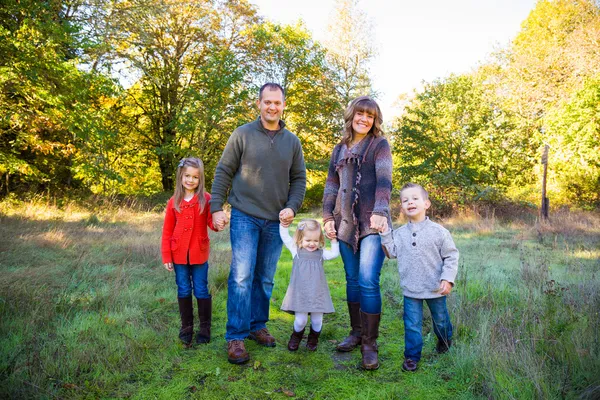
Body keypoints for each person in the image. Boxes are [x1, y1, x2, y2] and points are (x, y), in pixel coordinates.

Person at [210, 83, 306, 364]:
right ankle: (236, 337)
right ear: (259, 104)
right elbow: (224, 171)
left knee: (264, 278)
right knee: (241, 276)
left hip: (275, 220)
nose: (272, 107)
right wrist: (216, 207)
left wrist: (291, 206)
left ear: (284, 105)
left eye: (277, 102)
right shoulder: (242, 134)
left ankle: (256, 326)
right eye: (267, 102)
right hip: (244, 215)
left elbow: (299, 179)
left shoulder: (292, 142)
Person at [322, 96, 392, 370]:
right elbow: (331, 186)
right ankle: (356, 332)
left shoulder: (379, 145)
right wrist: (328, 217)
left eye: (370, 116)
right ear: (351, 116)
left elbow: (385, 182)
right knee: (351, 280)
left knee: (367, 280)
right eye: (360, 114)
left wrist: (380, 210)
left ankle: (369, 344)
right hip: (345, 223)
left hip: (373, 222)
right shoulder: (338, 149)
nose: (364, 119)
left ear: (375, 121)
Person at [379, 183, 459, 372]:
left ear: (426, 204)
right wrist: (384, 234)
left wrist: (447, 279)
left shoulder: (439, 231)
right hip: (411, 289)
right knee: (412, 324)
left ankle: (444, 340)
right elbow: (391, 253)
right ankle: (412, 357)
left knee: (440, 320)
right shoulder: (398, 234)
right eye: (405, 200)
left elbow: (451, 255)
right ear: (402, 207)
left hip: (435, 288)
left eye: (415, 198)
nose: (410, 202)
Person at [161, 157, 217, 346]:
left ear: (200, 179)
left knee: (201, 288)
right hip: (178, 255)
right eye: (187, 176)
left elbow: (211, 223)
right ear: (181, 176)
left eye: (195, 177)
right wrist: (167, 255)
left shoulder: (206, 199)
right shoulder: (173, 201)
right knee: (183, 288)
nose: (191, 180)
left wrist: (219, 222)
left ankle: (204, 327)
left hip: (199, 254)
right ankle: (186, 327)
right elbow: (167, 231)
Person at [279, 219, 338, 352]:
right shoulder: (296, 251)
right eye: (308, 240)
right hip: (301, 293)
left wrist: (333, 240)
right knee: (301, 320)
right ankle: (296, 336)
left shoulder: (321, 254)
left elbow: (334, 254)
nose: (312, 244)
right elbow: (285, 237)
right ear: (300, 239)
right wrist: (283, 225)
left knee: (317, 321)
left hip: (318, 293)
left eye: (316, 241)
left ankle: (313, 339)